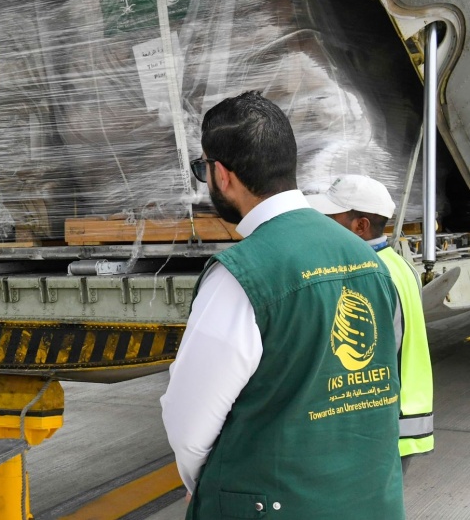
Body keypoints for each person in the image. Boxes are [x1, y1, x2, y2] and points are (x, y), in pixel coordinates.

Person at [161, 91, 404, 519]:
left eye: (203, 169)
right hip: (370, 502)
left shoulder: (242, 275)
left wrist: (213, 487)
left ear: (222, 175)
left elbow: (189, 426)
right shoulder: (371, 260)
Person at [307, 174, 434, 470]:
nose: (323, 225)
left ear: (360, 226)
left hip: (384, 423)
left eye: (331, 218)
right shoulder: (399, 265)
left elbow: (368, 354)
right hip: (405, 412)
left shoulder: (368, 274)